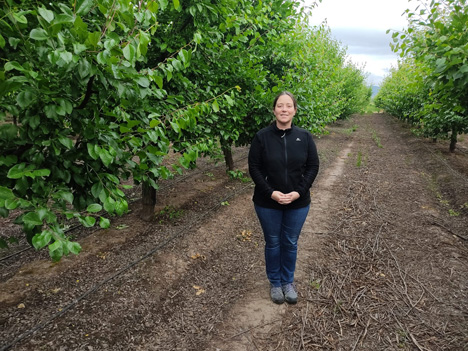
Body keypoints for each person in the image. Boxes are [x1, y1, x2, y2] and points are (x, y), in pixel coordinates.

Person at [248, 91, 320, 304]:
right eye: (280, 105)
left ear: (295, 110)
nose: (284, 109)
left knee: (289, 242)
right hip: (267, 202)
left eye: (289, 106)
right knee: (273, 242)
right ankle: (275, 283)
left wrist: (299, 191)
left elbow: (313, 166)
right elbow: (254, 168)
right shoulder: (262, 137)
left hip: (298, 203)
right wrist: (271, 192)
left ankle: (288, 281)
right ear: (274, 110)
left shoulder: (304, 137)